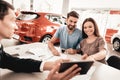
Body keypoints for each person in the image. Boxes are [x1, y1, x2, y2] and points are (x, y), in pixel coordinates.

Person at [0, 0, 81, 80]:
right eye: (12, 20)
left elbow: (14, 63)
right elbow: (50, 42)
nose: (16, 27)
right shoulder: (61, 29)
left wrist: (50, 65)